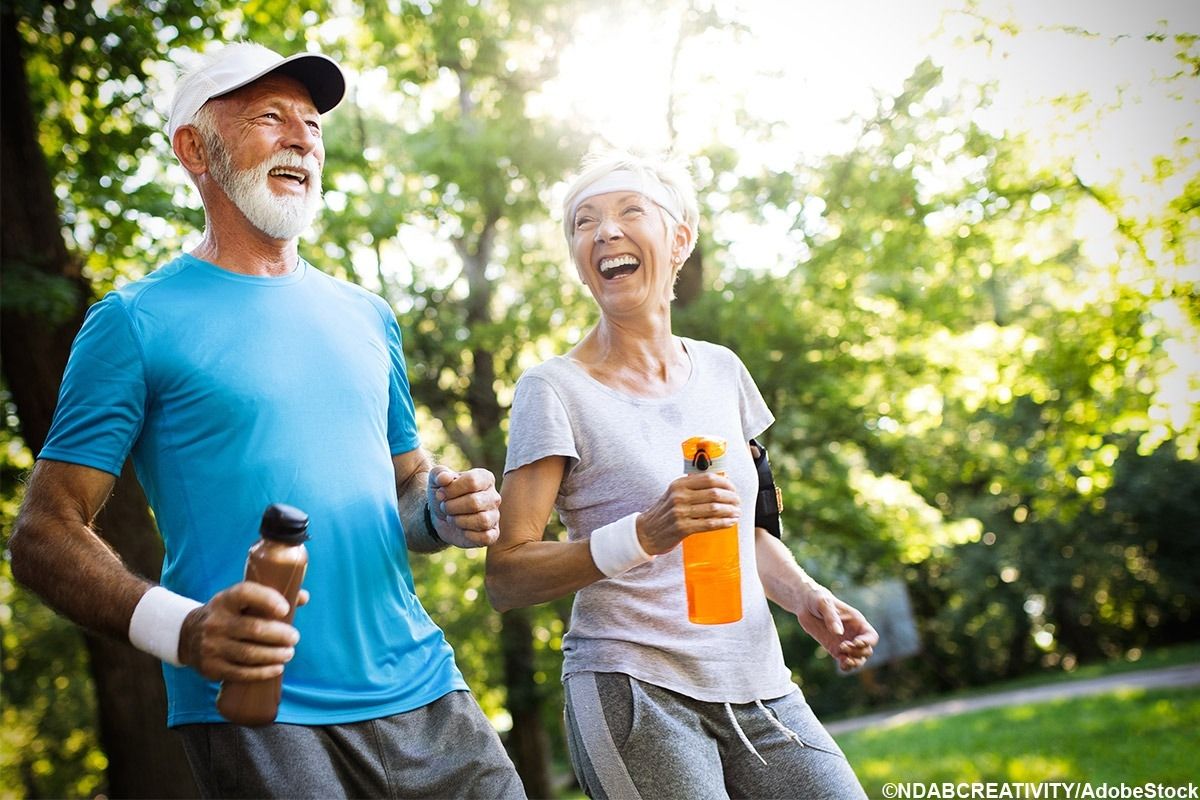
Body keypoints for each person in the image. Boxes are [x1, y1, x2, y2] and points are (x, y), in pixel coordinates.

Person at [10, 42, 525, 799]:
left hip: (428, 692)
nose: (300, 139)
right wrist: (184, 632)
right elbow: (42, 534)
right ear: (195, 148)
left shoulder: (367, 316)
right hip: (259, 711)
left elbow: (407, 493)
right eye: (269, 117)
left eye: (312, 125)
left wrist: (444, 511)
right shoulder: (134, 321)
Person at [486, 151, 878, 800]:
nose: (605, 231)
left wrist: (809, 599)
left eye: (629, 211)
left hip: (761, 682)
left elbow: (743, 532)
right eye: (585, 222)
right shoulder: (553, 389)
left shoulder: (725, 373)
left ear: (680, 239)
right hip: (633, 686)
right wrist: (643, 532)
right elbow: (507, 574)